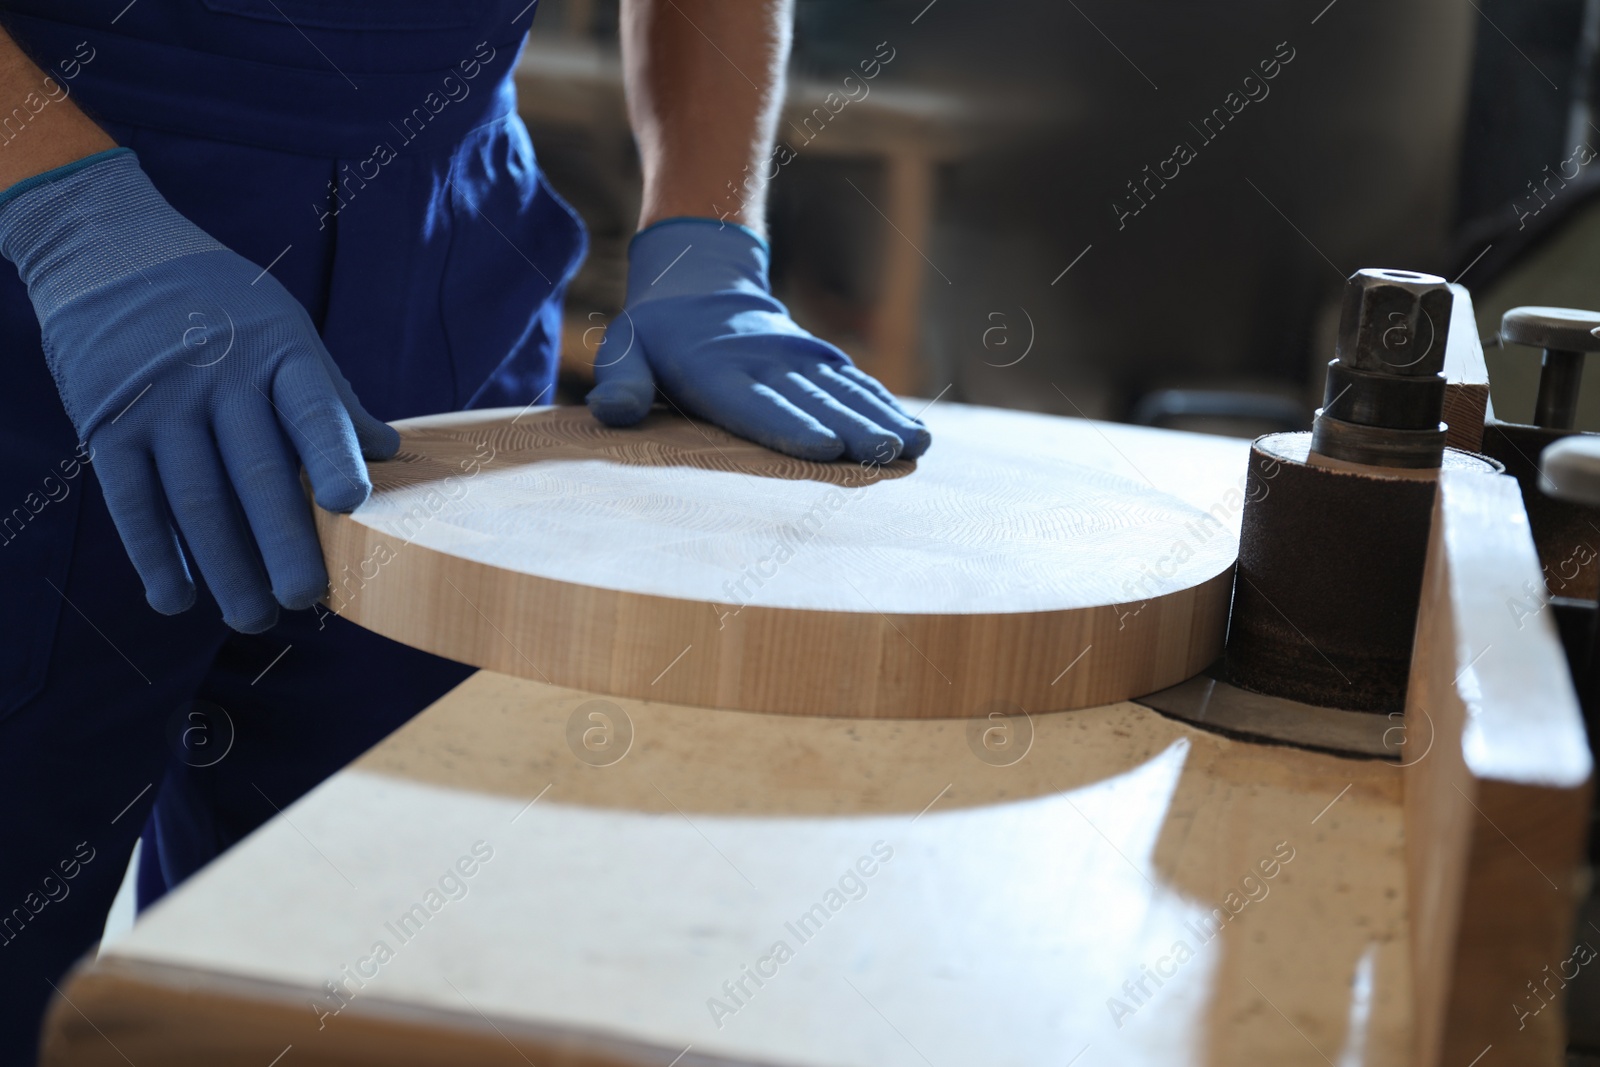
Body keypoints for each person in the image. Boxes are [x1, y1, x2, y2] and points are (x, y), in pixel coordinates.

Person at [0, 0, 930, 1059]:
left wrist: (707, 233)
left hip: (445, 291)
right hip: (46, 269)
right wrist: (61, 208)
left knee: (373, 968)